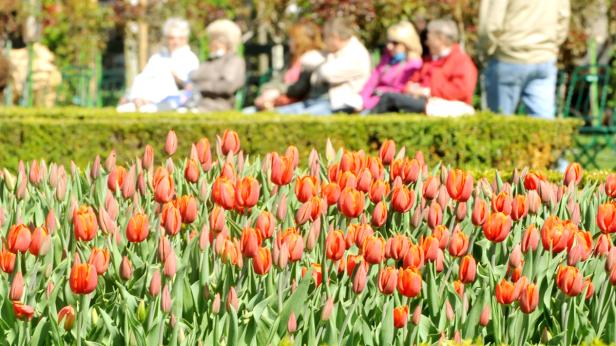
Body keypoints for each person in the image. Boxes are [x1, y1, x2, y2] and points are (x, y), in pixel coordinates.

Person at [479, 0, 570, 118]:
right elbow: (563, 17)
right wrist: (550, 46)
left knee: (499, 124)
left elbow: (491, 24)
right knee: (543, 127)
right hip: (544, 56)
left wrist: (487, 50)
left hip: (509, 56)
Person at [371, 19, 478, 116]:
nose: (426, 42)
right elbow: (412, 82)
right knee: (390, 100)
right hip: (424, 101)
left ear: (440, 38)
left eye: (429, 37)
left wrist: (427, 91)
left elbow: (462, 91)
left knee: (390, 98)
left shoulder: (461, 61)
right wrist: (411, 87)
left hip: (445, 105)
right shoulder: (429, 60)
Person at [276, 17, 371, 116]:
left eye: (325, 36)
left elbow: (327, 73)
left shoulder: (356, 54)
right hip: (316, 101)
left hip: (336, 105)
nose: (324, 41)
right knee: (276, 114)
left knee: (293, 120)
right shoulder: (335, 52)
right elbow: (305, 59)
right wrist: (326, 61)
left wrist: (322, 64)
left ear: (334, 37)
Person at [117, 17, 199, 112]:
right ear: (166, 39)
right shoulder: (157, 58)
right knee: (123, 109)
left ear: (186, 39)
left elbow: (189, 88)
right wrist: (135, 97)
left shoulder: (190, 59)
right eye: (172, 38)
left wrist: (176, 77)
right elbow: (142, 79)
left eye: (180, 38)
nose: (176, 42)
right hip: (146, 100)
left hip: (171, 102)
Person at [249, 21, 325, 112]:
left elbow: (299, 89)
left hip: (296, 105)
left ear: (301, 41)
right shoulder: (290, 57)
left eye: (292, 39)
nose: (289, 42)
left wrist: (276, 93)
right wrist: (266, 92)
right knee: (247, 112)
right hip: (276, 102)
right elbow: (277, 79)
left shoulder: (312, 60)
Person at [359, 21, 423, 113]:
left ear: (407, 44)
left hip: (387, 106)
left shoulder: (414, 65)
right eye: (388, 42)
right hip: (370, 102)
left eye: (395, 43)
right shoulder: (387, 59)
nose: (389, 46)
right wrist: (363, 100)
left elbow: (401, 90)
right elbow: (371, 82)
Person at [188, 19, 245, 113]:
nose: (209, 43)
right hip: (195, 104)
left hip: (217, 107)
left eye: (212, 39)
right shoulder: (209, 60)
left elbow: (227, 86)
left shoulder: (234, 61)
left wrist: (200, 86)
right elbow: (194, 78)